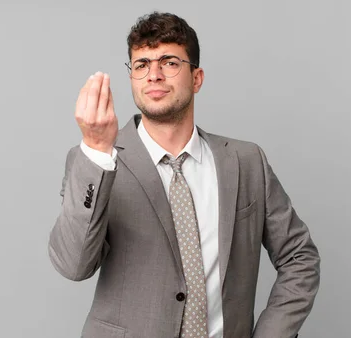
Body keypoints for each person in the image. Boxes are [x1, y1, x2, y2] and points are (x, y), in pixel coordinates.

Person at [48, 11, 320, 338]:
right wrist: (95, 149)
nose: (154, 75)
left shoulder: (246, 162)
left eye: (170, 62)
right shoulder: (95, 162)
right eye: (142, 65)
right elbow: (73, 265)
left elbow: (299, 258)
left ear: (197, 77)